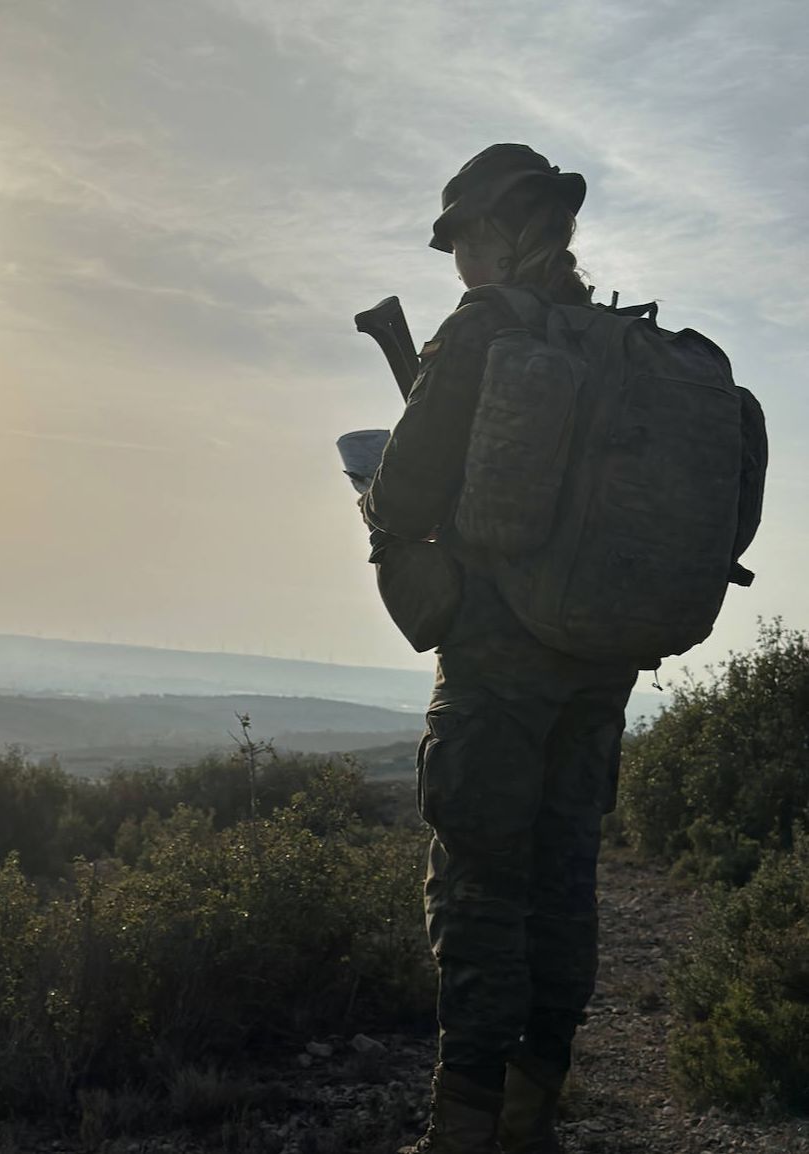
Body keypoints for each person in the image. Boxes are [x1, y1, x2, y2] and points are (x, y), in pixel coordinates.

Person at [361, 144, 640, 1154]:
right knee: (564, 880)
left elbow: (404, 496)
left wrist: (380, 500)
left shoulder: (485, 330)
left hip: (499, 662)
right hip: (600, 662)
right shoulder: (618, 343)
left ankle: (464, 1131)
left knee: (478, 886)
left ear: (492, 232)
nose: (459, 263)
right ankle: (532, 1118)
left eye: (461, 241)